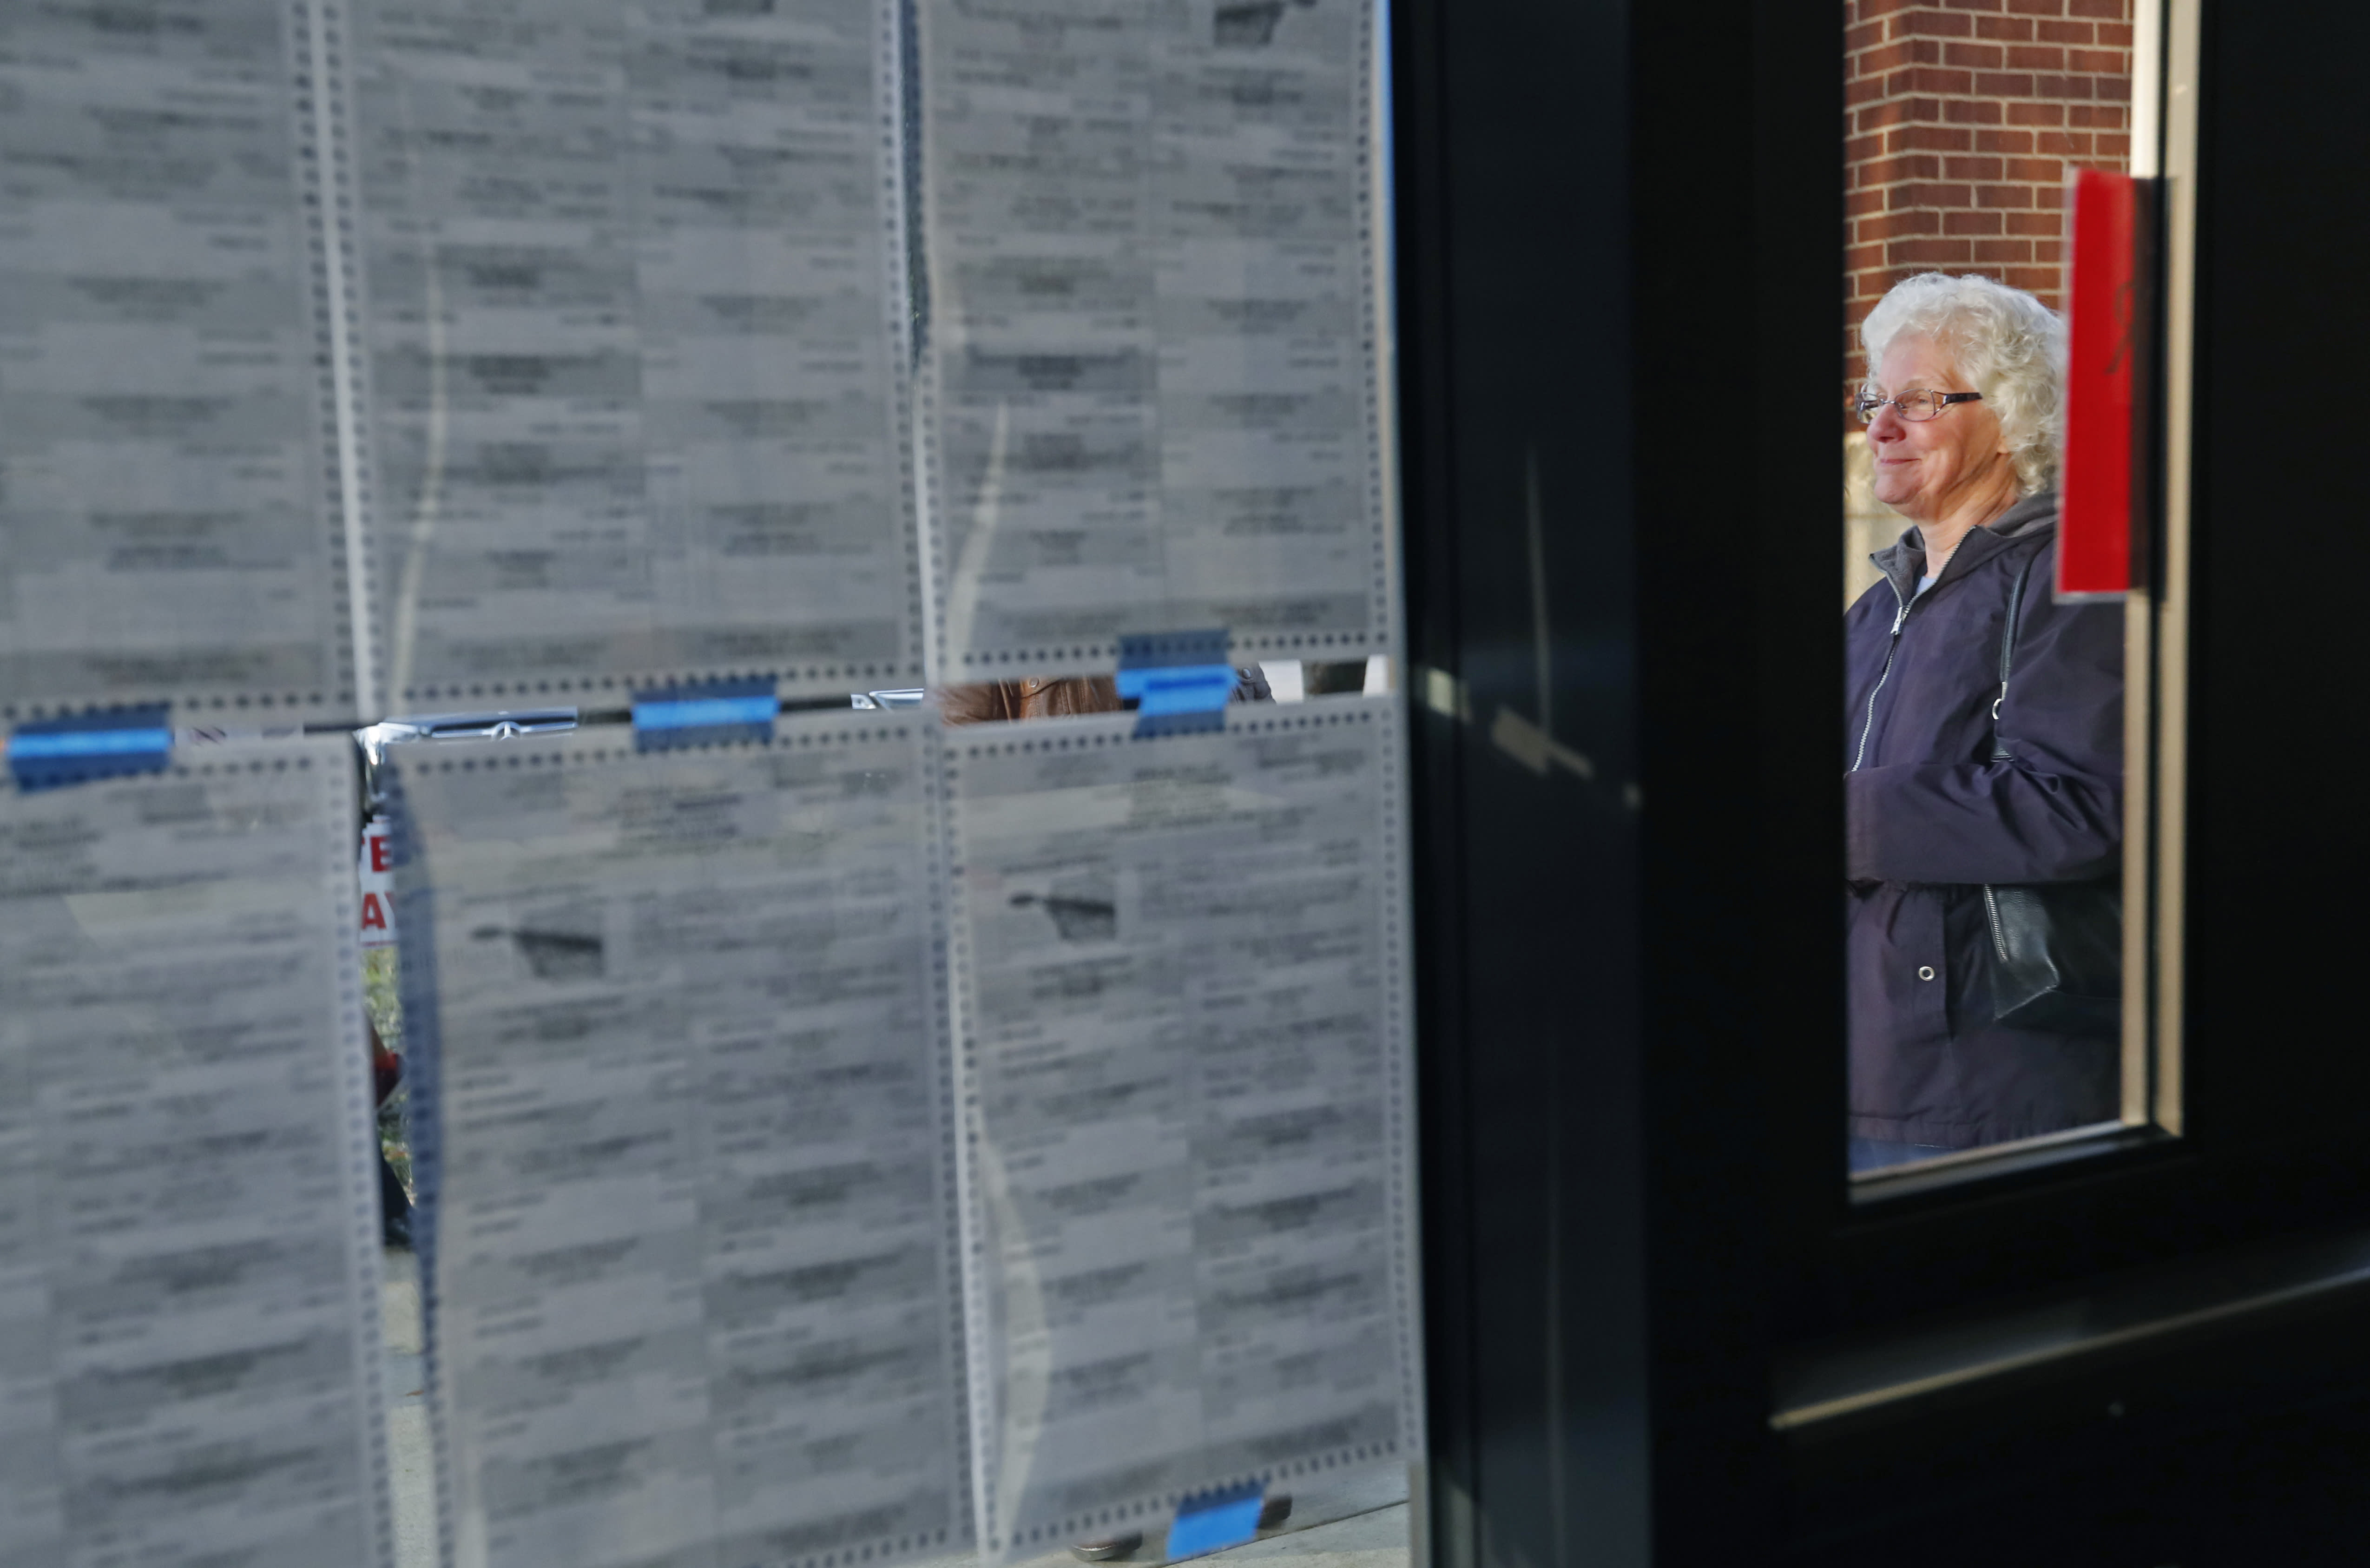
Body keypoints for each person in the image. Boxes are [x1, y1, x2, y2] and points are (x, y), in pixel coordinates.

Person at [1844, 272, 2124, 1172]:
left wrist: (1840, 817)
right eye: (1875, 399)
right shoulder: (1875, 605)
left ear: (2014, 417)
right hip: (1869, 1059)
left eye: (1919, 401)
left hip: (1993, 1081)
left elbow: (2078, 808)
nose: (1880, 427)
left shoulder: (2068, 586)